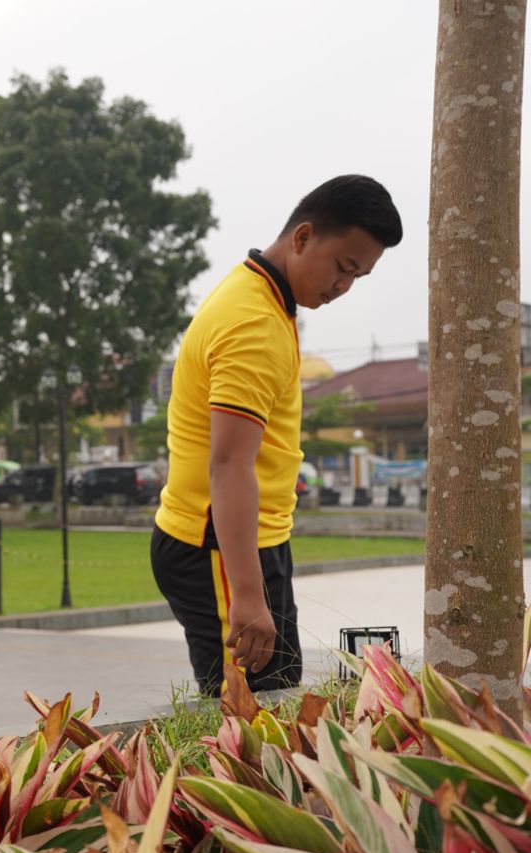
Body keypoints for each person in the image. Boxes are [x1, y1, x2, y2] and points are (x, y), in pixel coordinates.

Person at [151, 175, 402, 696]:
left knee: (277, 691)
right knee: (248, 723)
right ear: (303, 237)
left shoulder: (259, 293)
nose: (343, 287)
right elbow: (229, 465)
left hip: (244, 542)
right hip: (217, 549)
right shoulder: (254, 325)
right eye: (343, 267)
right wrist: (246, 593)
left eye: (359, 276)